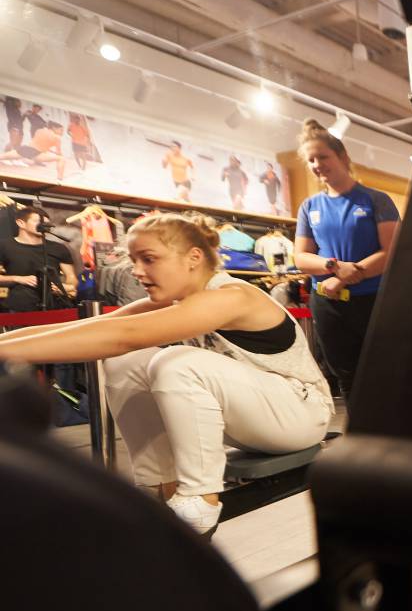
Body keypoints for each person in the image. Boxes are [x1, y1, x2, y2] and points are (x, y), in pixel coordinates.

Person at [0, 212, 333, 535]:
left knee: (176, 362)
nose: (137, 271)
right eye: (134, 260)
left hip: (302, 416)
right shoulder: (180, 299)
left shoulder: (231, 296)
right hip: (254, 417)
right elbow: (95, 326)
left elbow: (123, 336)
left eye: (149, 259)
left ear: (193, 257)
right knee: (127, 363)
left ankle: (199, 501)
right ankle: (161, 487)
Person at [293, 118, 400, 402]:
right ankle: (360, 430)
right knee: (347, 378)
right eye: (311, 160)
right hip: (328, 305)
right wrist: (333, 266)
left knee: (385, 373)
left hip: (373, 301)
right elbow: (301, 257)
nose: (317, 164)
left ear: (342, 156)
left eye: (323, 156)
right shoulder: (309, 206)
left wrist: (344, 277)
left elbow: (391, 252)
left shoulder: (375, 200)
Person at [0, 207, 77, 312]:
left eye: (46, 223)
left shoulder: (59, 248)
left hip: (54, 305)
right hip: (20, 306)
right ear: (21, 223)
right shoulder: (4, 246)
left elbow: (71, 277)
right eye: (38, 221)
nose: (44, 225)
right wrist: (18, 279)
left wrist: (64, 287)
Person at [0, 121, 67, 180]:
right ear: (54, 128)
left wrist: (49, 151)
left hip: (25, 149)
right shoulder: (57, 138)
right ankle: (60, 179)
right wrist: (58, 154)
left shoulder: (40, 130)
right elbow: (59, 153)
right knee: (61, 159)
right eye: (61, 130)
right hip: (36, 154)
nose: (62, 132)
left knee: (2, 156)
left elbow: (40, 144)